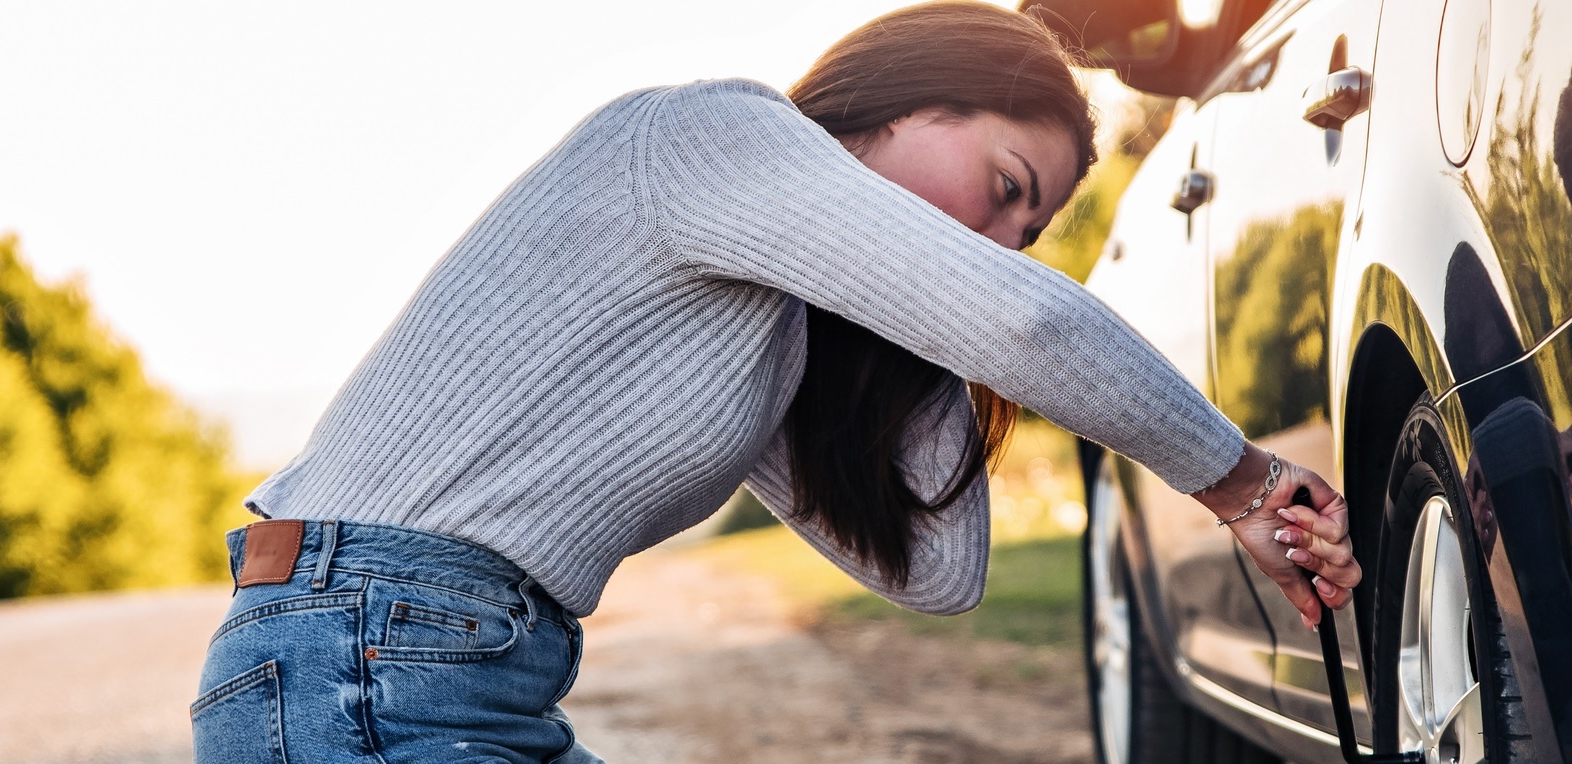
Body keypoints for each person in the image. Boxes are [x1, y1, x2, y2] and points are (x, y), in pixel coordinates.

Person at [191, 2, 1361, 761]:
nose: (1004, 243)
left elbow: (937, 571)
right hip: (365, 653)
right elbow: (1029, 319)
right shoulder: (714, 134)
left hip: (431, 666)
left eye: (1027, 231)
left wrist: (929, 314)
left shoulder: (766, 332)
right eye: (1006, 186)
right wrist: (1244, 482)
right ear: (911, 96)